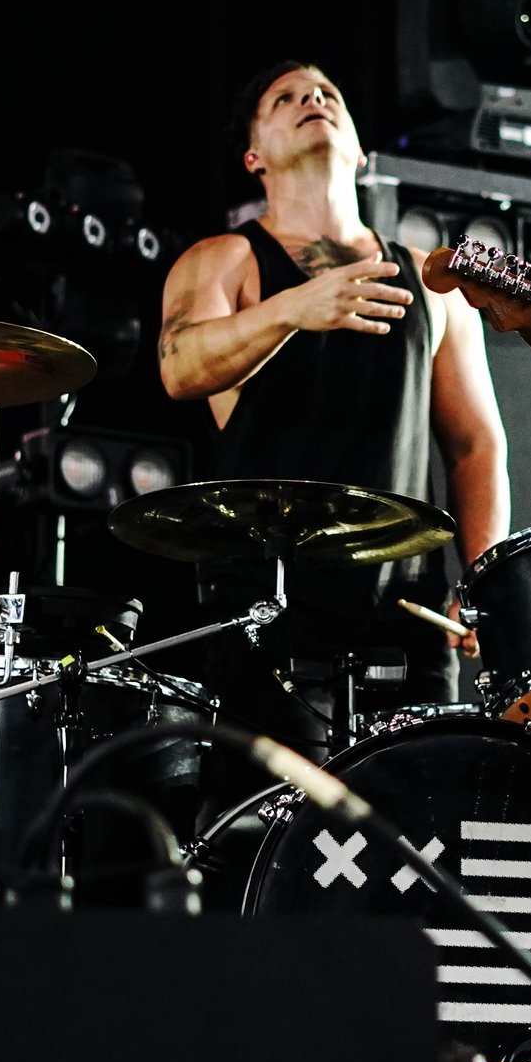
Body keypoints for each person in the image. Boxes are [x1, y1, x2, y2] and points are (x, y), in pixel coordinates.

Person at [158, 60, 509, 786]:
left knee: (417, 833)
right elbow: (181, 367)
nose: (311, 99)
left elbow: (475, 443)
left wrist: (486, 580)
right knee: (274, 843)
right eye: (284, 97)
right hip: (270, 600)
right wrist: (294, 307)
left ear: (357, 145)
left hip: (403, 600)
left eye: (327, 94)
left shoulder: (427, 277)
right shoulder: (224, 260)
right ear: (253, 155)